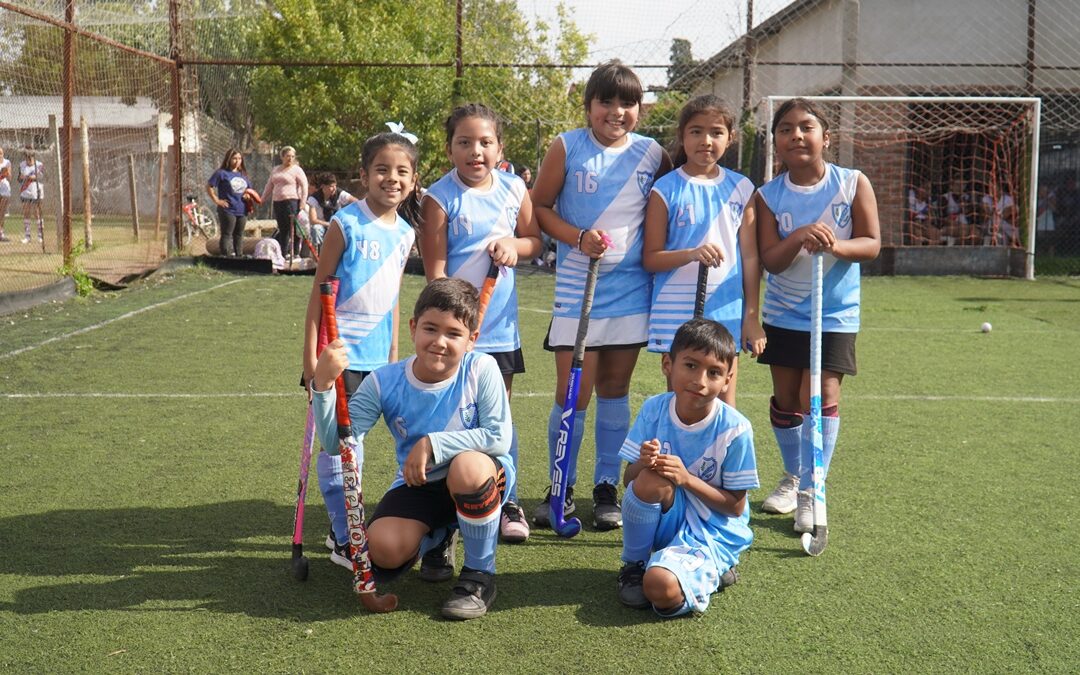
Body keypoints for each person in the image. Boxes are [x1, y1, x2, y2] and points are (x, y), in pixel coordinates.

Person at [310, 277, 515, 620]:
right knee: (382, 548)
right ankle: (441, 535)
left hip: (481, 477)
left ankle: (479, 575)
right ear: (412, 328)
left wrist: (433, 443)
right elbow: (336, 444)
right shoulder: (384, 380)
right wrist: (324, 385)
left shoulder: (482, 368)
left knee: (466, 468)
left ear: (471, 341)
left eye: (453, 334)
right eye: (430, 329)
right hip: (418, 484)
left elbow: (498, 437)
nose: (439, 342)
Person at [531, 60, 672, 530]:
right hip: (578, 290)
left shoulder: (652, 153)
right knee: (574, 393)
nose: (616, 112)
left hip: (632, 291)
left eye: (627, 103)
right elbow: (540, 207)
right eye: (605, 102)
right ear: (589, 106)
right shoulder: (566, 146)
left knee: (616, 389)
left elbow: (673, 199)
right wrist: (576, 236)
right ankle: (560, 486)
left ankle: (606, 486)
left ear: (640, 109)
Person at [755, 98, 880, 534]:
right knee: (786, 400)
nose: (796, 135)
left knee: (820, 394)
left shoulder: (852, 183)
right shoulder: (768, 195)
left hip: (835, 313)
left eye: (806, 127)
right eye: (785, 128)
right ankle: (792, 477)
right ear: (776, 142)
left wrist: (835, 246)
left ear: (826, 137)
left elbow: (870, 243)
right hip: (784, 313)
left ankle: (813, 487)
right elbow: (770, 259)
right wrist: (800, 238)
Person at [420, 103, 542, 544]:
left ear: (500, 148)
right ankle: (449, 506)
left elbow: (534, 240)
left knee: (499, 418)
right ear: (450, 148)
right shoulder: (439, 197)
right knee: (452, 419)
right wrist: (446, 331)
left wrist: (514, 244)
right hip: (455, 338)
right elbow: (436, 274)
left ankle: (506, 499)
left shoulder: (513, 188)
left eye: (485, 142)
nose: (476, 151)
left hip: (499, 332)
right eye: (465, 142)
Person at [302, 131, 420, 571]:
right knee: (338, 448)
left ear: (413, 178)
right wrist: (312, 361)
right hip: (338, 357)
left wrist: (393, 358)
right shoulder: (345, 224)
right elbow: (319, 292)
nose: (392, 178)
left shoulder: (406, 232)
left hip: (377, 361)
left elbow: (392, 301)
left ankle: (348, 529)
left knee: (360, 446)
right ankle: (342, 535)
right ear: (365, 174)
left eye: (402, 171)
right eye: (382, 170)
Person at [615, 318, 757, 616]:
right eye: (690, 366)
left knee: (659, 588)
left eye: (714, 372)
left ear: (727, 379)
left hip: (712, 530)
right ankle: (634, 566)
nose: (700, 381)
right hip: (670, 518)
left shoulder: (735, 430)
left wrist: (687, 479)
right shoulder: (654, 409)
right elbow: (629, 481)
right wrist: (643, 460)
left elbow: (734, 507)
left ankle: (711, 567)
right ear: (668, 364)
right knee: (649, 479)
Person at [642, 94, 765, 406]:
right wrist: (692, 254)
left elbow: (750, 256)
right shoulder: (665, 188)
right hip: (676, 311)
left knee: (724, 401)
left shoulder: (741, 188)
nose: (705, 140)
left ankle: (723, 457)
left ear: (730, 137)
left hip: (726, 309)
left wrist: (751, 316)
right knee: (681, 402)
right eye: (696, 131)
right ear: (682, 136)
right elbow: (651, 258)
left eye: (716, 132)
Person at [260, 146, 308, 257]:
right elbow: (269, 185)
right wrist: (262, 198)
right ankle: (283, 253)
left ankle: (295, 252)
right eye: (287, 156)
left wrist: (302, 202)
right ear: (282, 157)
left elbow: (304, 185)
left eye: (292, 156)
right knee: (283, 228)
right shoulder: (276, 169)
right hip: (278, 202)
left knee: (294, 227)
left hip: (291, 201)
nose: (290, 159)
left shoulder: (296, 170)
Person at [205, 148, 252, 257]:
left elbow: (249, 190)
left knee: (239, 234)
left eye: (239, 158)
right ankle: (226, 256)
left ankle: (239, 256)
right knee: (227, 234)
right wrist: (217, 200)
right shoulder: (221, 173)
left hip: (242, 209)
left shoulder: (243, 174)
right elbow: (209, 186)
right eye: (234, 158)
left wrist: (248, 196)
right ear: (228, 159)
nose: (237, 161)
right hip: (228, 209)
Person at [307, 172, 357, 249]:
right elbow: (313, 220)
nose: (334, 188)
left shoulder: (339, 193)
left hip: (338, 224)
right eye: (331, 186)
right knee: (316, 229)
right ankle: (318, 254)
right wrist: (328, 224)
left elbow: (356, 202)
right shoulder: (313, 199)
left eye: (335, 186)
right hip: (323, 225)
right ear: (323, 187)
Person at [19, 149, 45, 245]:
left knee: (37, 212)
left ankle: (40, 235)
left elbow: (40, 176)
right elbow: (20, 177)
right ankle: (27, 236)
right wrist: (23, 177)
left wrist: (31, 177)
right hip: (25, 191)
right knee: (26, 212)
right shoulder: (22, 165)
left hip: (36, 191)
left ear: (33, 157)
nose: (28, 160)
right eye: (26, 158)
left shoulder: (39, 165)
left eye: (30, 158)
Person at [0, 147, 11, 242]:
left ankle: (1, 233)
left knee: (2, 213)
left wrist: (5, 173)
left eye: (1, 153)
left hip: (4, 190)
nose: (0, 155)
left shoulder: (7, 162)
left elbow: (10, 177)